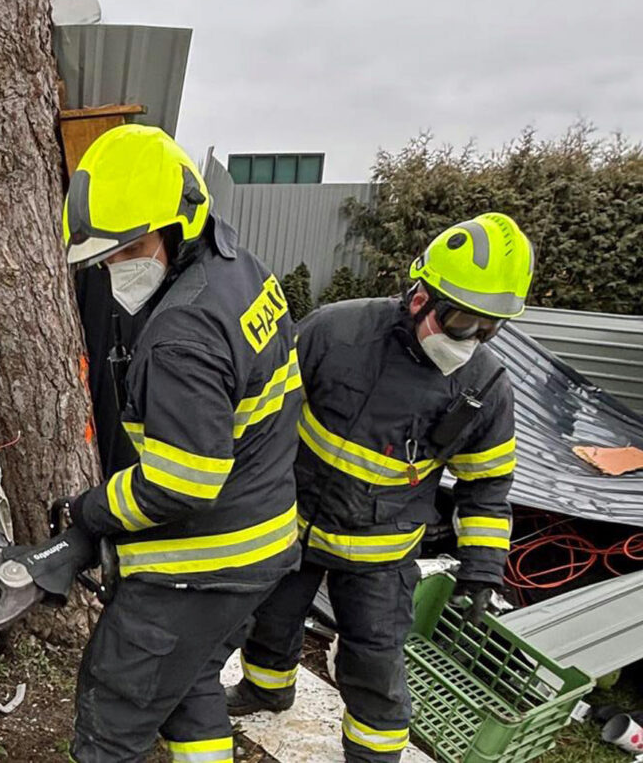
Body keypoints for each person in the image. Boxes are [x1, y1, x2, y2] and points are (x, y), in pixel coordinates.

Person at [20, 124, 305, 763]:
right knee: (188, 683)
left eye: (126, 249)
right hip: (260, 544)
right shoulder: (238, 267)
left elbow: (181, 484)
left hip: (197, 568)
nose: (114, 268)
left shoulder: (181, 337)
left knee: (113, 707)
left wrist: (89, 513)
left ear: (176, 227)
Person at [225, 213, 535, 763]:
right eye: (463, 319)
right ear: (420, 295)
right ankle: (266, 689)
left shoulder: (486, 386)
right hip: (292, 525)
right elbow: (263, 414)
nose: (472, 339)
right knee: (269, 619)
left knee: (374, 663)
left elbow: (485, 488)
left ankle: (374, 756)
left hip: (381, 555)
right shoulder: (334, 331)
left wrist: (482, 571)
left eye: (489, 328)